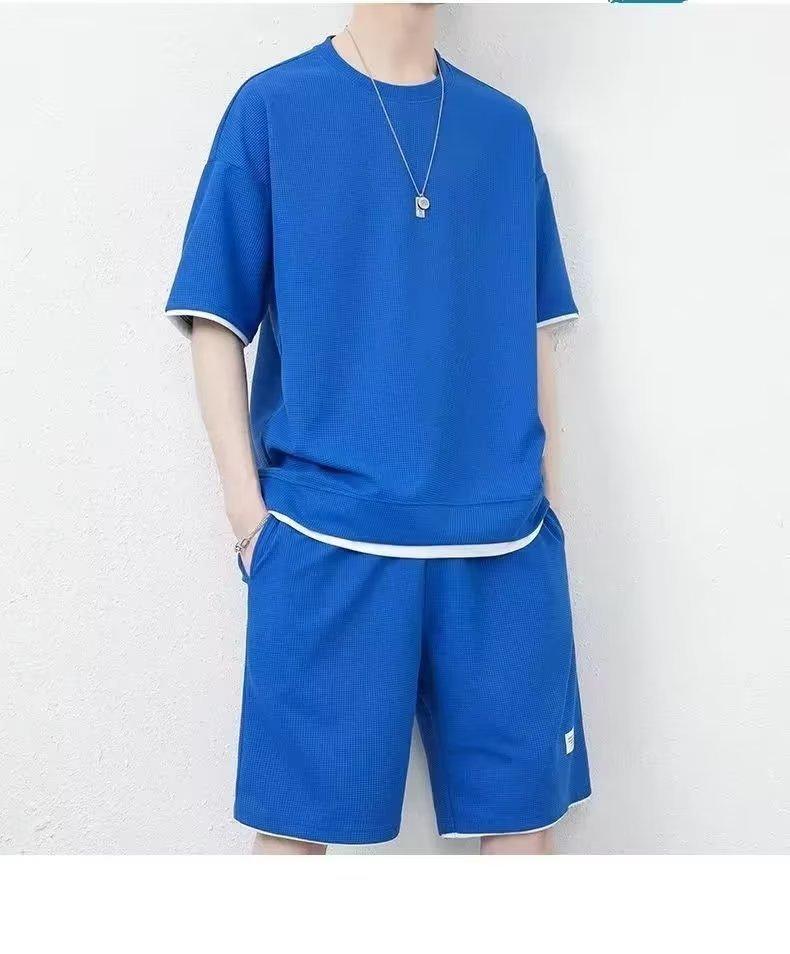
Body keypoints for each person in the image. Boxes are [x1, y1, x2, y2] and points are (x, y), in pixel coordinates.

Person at [165, 3, 590, 855]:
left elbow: (535, 329)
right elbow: (215, 320)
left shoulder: (505, 130)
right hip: (326, 534)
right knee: (294, 839)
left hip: (503, 542)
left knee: (524, 830)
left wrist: (546, 500)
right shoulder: (273, 108)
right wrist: (249, 517)